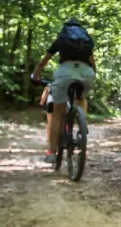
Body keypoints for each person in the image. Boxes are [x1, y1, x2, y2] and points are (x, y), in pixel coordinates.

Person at [31, 19, 96, 163]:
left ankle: (52, 153)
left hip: (65, 73)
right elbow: (93, 63)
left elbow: (43, 61)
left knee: (57, 113)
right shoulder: (84, 41)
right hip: (86, 73)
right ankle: (82, 122)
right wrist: (92, 76)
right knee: (81, 98)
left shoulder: (61, 39)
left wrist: (35, 76)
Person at [40, 84, 55, 155]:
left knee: (50, 123)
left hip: (51, 103)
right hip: (64, 104)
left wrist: (41, 102)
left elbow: (44, 96)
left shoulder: (49, 85)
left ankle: (50, 140)